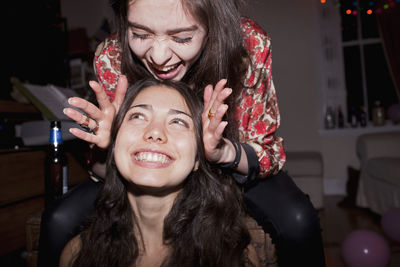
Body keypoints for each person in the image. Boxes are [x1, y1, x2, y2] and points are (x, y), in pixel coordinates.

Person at [39, 0, 325, 266]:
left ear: (213, 24)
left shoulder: (249, 45)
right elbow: (111, 170)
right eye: (140, 34)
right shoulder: (112, 57)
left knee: (298, 220)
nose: (159, 57)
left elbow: (268, 151)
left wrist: (225, 151)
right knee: (58, 219)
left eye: (182, 38)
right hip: (151, 165)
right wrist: (105, 148)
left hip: (230, 168)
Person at [59, 78, 259, 267]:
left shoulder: (235, 257)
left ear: (198, 158)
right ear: (114, 142)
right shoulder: (76, 254)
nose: (155, 132)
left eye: (178, 122)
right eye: (138, 116)